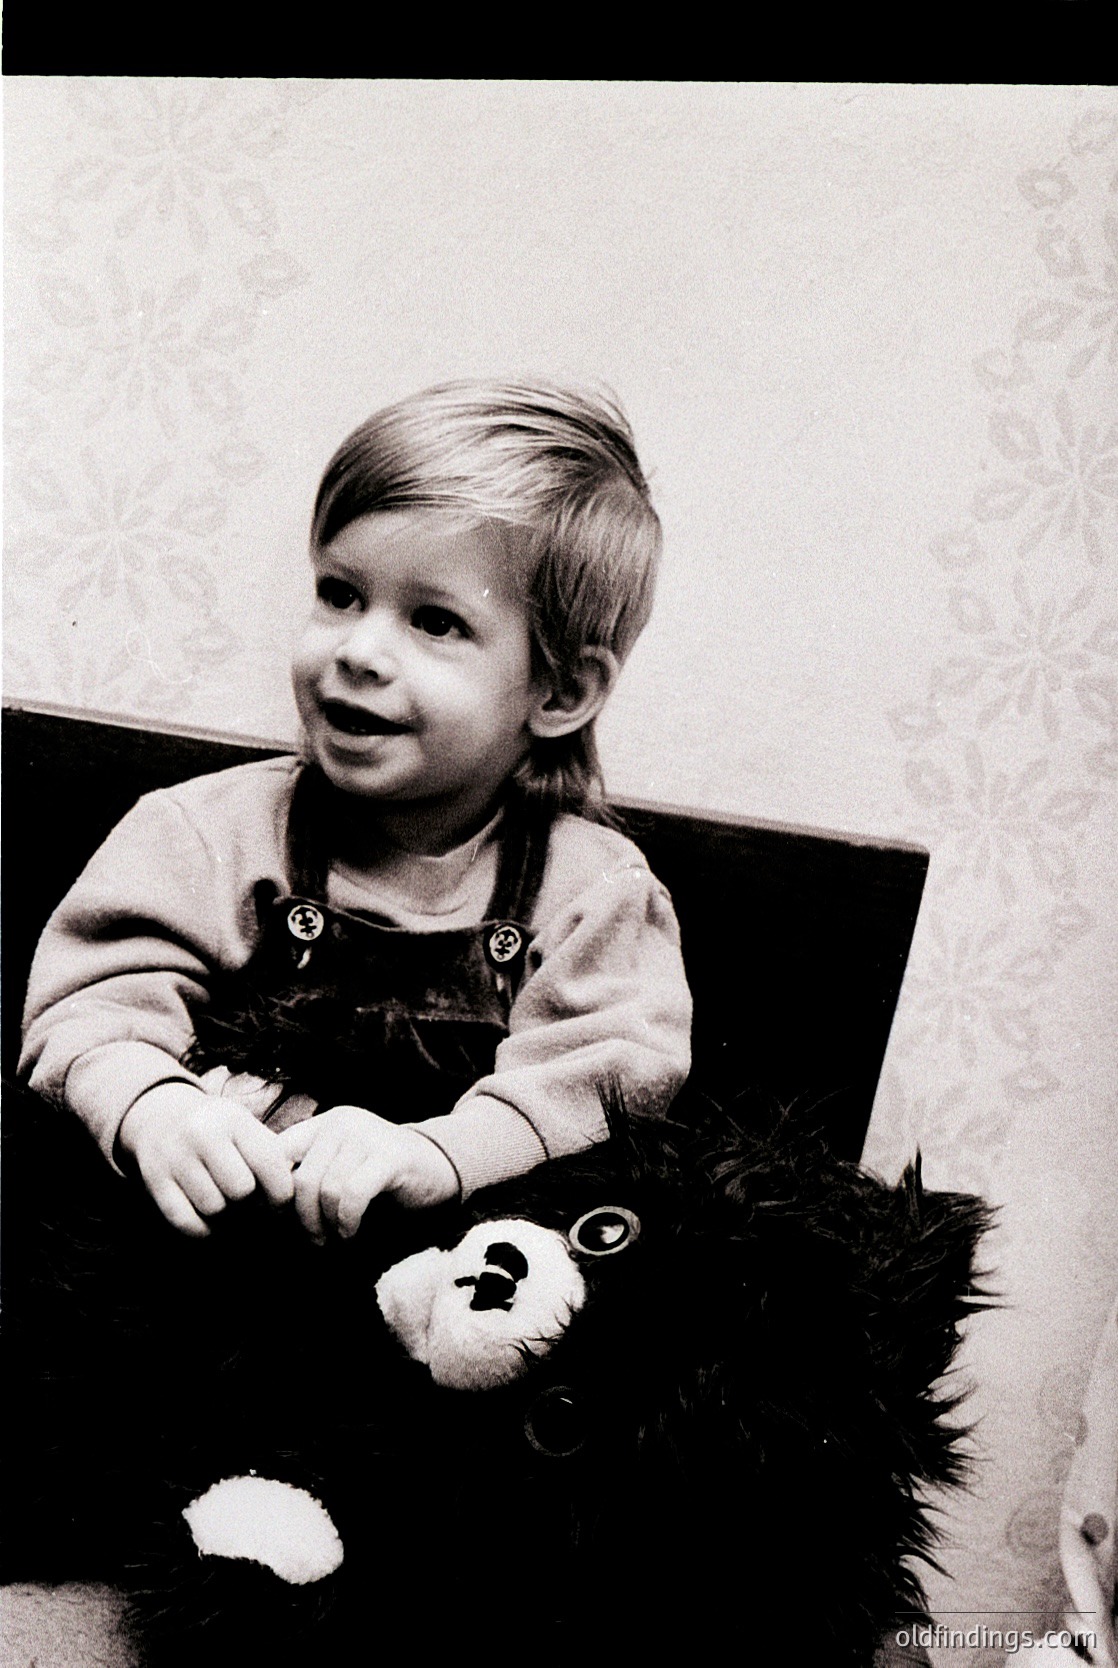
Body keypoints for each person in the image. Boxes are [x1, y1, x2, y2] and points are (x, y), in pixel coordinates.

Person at [18, 379, 693, 1252]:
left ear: (561, 690)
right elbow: (91, 1005)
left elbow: (605, 1079)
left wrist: (438, 1155)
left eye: (436, 622)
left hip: (431, 1275)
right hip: (217, 1248)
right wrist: (150, 1104)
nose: (360, 650)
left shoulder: (591, 892)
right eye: (340, 593)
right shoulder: (204, 833)